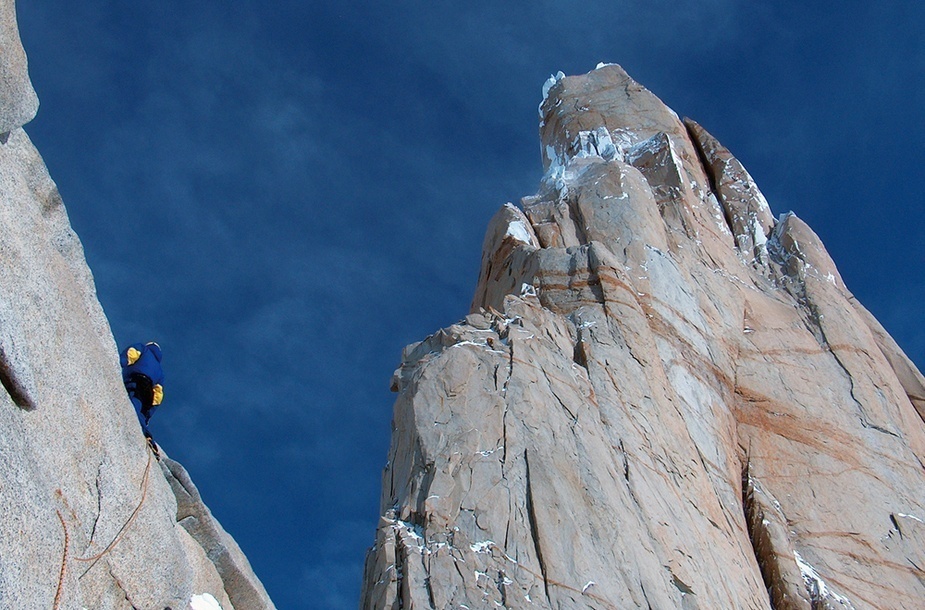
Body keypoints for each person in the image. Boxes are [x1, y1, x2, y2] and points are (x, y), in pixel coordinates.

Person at [120, 342, 165, 454]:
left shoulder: (144, 349)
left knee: (133, 407)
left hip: (137, 381)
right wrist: (148, 414)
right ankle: (148, 436)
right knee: (139, 410)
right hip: (148, 391)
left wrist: (120, 362)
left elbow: (132, 353)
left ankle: (146, 434)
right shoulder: (160, 371)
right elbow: (158, 395)